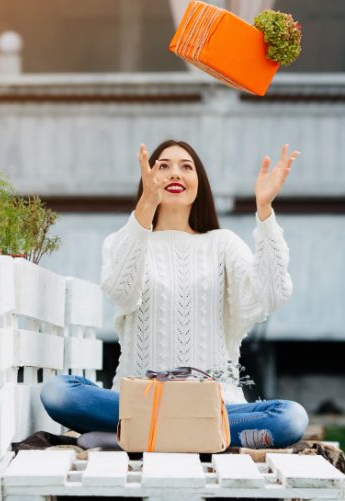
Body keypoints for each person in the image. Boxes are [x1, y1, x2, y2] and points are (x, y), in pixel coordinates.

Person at [41, 139, 307, 449]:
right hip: (137, 402)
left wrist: (265, 211)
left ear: (199, 183)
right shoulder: (123, 241)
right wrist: (146, 208)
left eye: (186, 167)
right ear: (148, 180)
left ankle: (133, 435)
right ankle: (184, 436)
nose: (174, 174)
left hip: (213, 406)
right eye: (163, 167)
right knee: (58, 392)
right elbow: (122, 293)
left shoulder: (222, 243)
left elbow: (271, 294)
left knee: (291, 417)